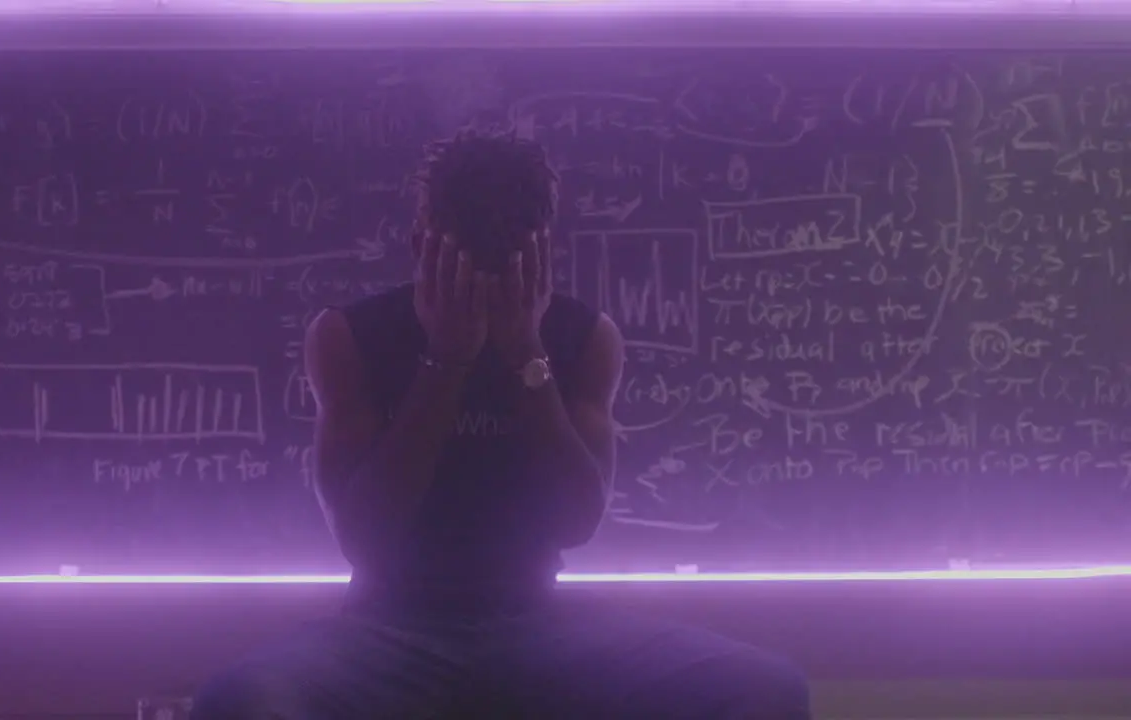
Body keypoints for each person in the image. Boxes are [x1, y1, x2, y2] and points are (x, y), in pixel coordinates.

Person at [191, 131, 811, 719]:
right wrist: (447, 360)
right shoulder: (350, 336)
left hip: (541, 617)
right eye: (467, 261)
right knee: (240, 702)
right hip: (389, 623)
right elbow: (363, 535)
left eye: (506, 261)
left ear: (540, 254)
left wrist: (524, 356)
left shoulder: (583, 338)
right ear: (421, 247)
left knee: (765, 688)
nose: (486, 285)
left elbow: (576, 521)